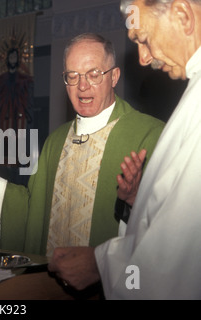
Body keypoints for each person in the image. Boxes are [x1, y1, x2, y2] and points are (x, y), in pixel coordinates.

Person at [0, 33, 164, 259]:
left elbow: (175, 226)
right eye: (73, 76)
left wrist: (136, 202)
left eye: (94, 74)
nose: (83, 86)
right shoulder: (56, 141)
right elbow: (34, 211)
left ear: (114, 76)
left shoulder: (149, 135)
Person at [48, 0, 201, 299]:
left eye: (143, 40)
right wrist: (137, 201)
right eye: (73, 76)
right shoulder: (54, 141)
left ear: (183, 16)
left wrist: (100, 262)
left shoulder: (155, 127)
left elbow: (180, 251)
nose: (143, 59)